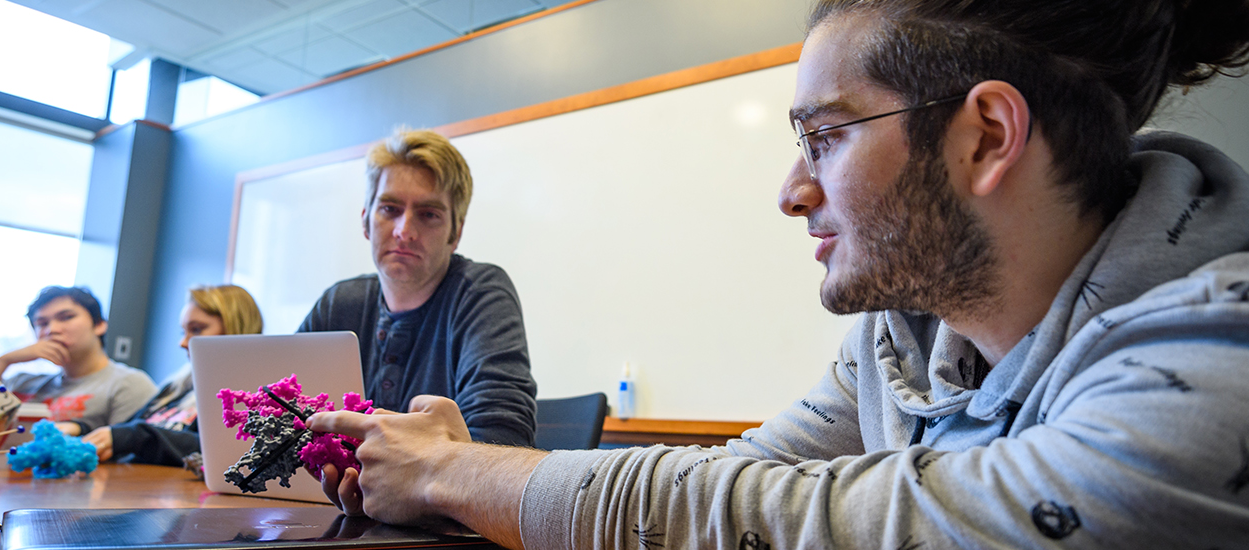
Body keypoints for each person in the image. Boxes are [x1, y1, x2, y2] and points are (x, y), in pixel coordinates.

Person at [305, 0, 1249, 548]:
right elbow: (734, 479)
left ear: (986, 138)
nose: (793, 191)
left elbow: (792, 520)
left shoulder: (1211, 378)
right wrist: (458, 471)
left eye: (825, 137)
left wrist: (456, 469)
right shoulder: (903, 338)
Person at [297, 128, 537, 447]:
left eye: (428, 214)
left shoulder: (479, 295)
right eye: (389, 209)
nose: (404, 230)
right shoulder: (337, 303)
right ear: (366, 220)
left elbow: (503, 444)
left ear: (455, 233)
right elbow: (280, 411)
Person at [82, 284, 264, 465]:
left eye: (196, 329)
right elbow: (120, 433)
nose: (182, 342)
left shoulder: (246, 398)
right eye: (183, 331)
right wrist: (81, 428)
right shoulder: (177, 386)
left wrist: (139, 436)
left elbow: (219, 451)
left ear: (234, 330)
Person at [0, 286, 157, 436]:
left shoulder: (128, 385)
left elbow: (128, 450)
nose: (52, 330)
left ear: (99, 325)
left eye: (66, 317)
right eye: (42, 323)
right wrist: (4, 361)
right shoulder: (22, 382)